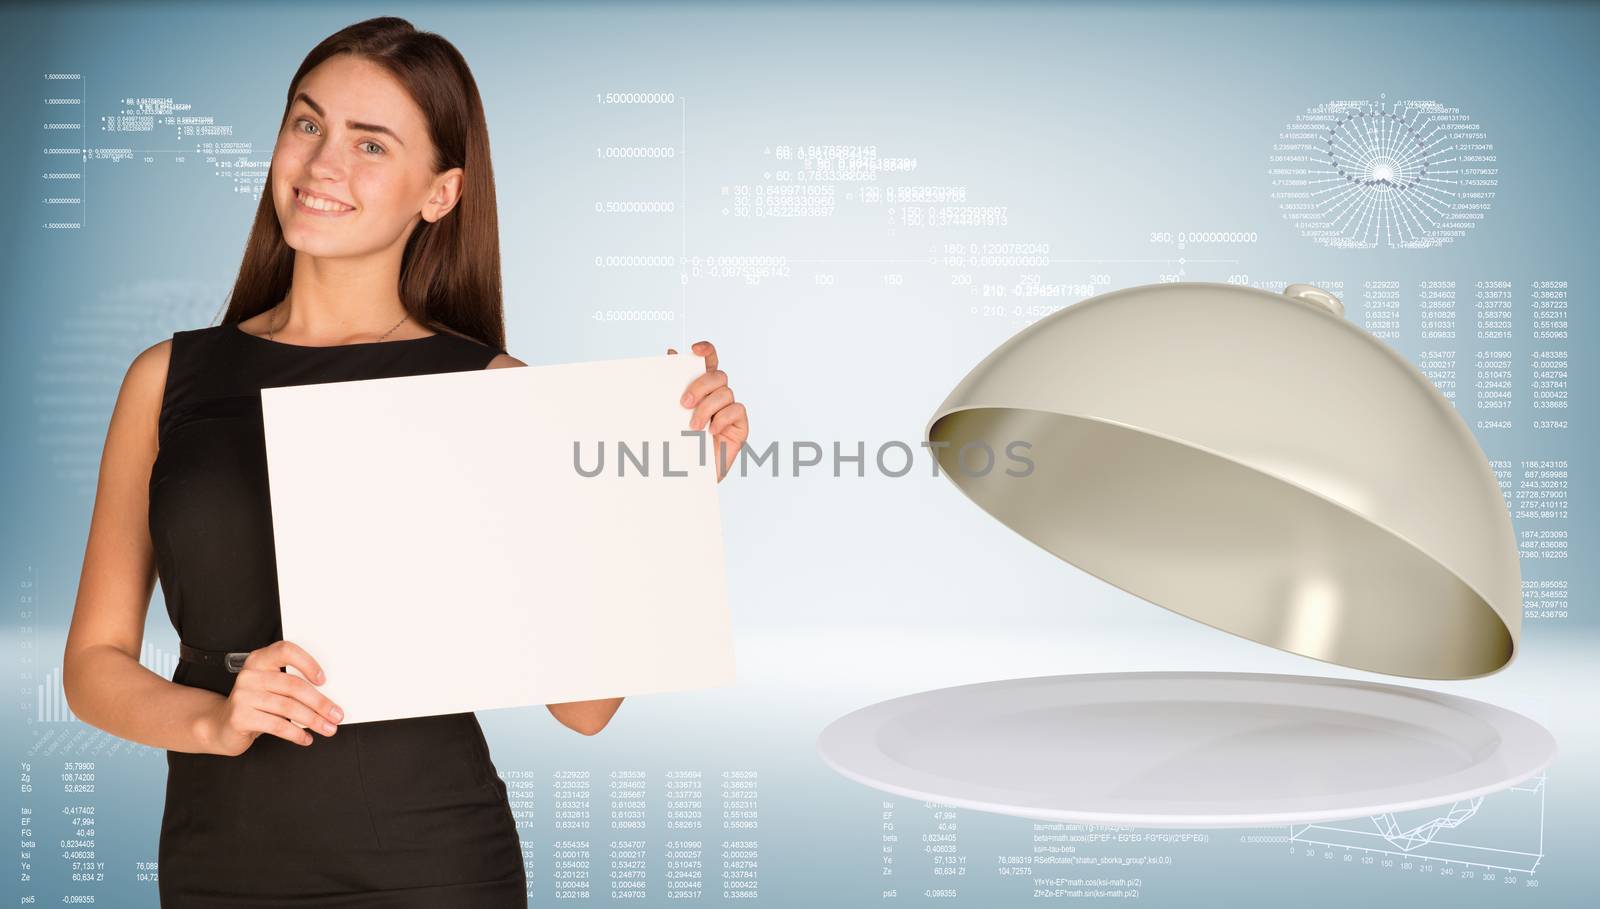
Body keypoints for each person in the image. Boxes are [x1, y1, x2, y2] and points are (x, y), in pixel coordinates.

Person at [60, 16, 749, 907]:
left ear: (441, 192)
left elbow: (583, 709)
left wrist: (669, 494)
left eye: (371, 143)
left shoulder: (492, 388)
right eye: (307, 124)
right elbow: (93, 662)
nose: (321, 165)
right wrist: (214, 719)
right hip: (217, 864)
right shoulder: (166, 378)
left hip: (436, 864)